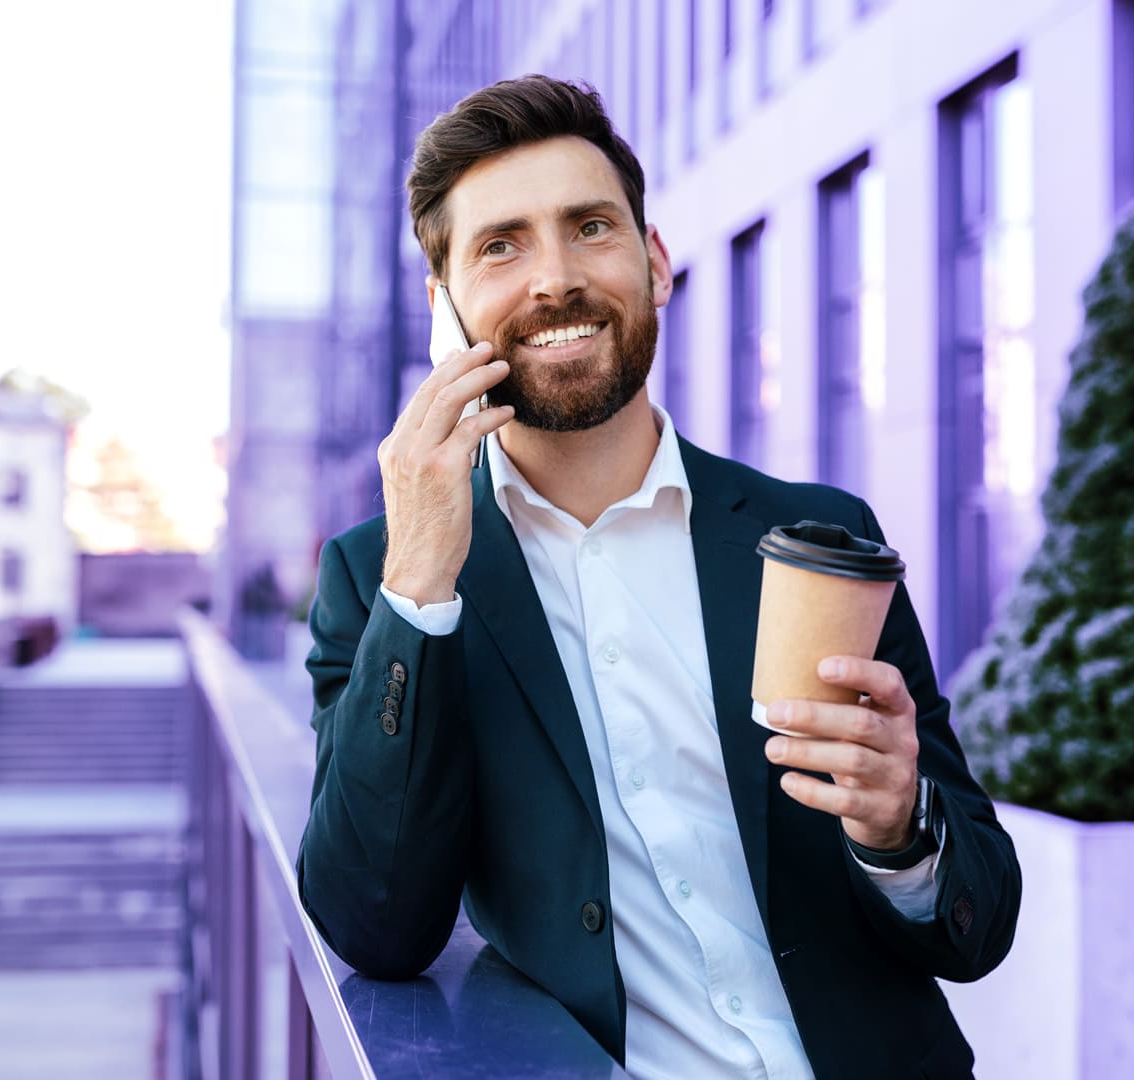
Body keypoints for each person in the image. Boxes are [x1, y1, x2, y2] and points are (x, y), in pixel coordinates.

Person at [299, 75, 1020, 1079]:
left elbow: (978, 926)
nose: (555, 278)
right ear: (446, 309)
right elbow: (373, 924)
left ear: (656, 263)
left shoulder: (814, 536)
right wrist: (420, 579)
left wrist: (900, 829)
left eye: (590, 227)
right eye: (500, 246)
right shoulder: (381, 577)